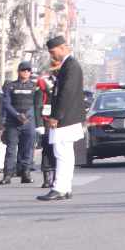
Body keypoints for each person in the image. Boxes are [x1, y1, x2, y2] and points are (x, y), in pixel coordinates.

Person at [38, 36, 85, 203]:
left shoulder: (70, 66)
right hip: (68, 116)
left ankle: (59, 188)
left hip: (66, 117)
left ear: (63, 48)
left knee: (62, 153)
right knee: (64, 153)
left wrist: (56, 116)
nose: (52, 56)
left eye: (53, 51)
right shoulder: (68, 65)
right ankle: (65, 188)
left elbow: (66, 93)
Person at [0, 60, 40, 185]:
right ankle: (7, 175)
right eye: (24, 70)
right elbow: (6, 103)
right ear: (18, 71)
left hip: (28, 122)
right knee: (11, 149)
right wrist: (17, 115)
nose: (26, 72)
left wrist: (27, 117)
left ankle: (25, 173)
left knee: (27, 149)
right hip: (13, 122)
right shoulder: (10, 85)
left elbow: (36, 105)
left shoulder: (34, 86)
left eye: (28, 71)